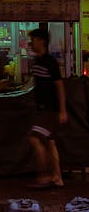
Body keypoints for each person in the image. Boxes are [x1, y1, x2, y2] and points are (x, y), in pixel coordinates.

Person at [26, 28, 68, 190]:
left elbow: (59, 86)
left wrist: (62, 110)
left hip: (49, 110)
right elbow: (35, 84)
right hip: (43, 109)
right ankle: (57, 178)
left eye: (34, 40)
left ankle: (43, 176)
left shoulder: (49, 62)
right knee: (51, 143)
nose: (31, 43)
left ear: (42, 41)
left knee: (34, 138)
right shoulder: (37, 61)